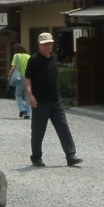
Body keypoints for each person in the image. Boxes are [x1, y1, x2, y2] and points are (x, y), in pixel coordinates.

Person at [25, 32, 83, 167]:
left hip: (56, 100)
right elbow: (27, 79)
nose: (48, 46)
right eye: (45, 44)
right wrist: (30, 95)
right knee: (38, 131)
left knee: (63, 127)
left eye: (50, 44)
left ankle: (71, 156)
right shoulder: (33, 59)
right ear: (39, 45)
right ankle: (36, 157)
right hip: (40, 101)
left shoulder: (54, 58)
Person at [8, 43, 31, 120]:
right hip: (29, 79)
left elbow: (13, 67)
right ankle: (28, 114)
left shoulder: (16, 56)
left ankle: (22, 109)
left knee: (18, 94)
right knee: (27, 96)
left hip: (20, 78)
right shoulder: (28, 56)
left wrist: (9, 75)